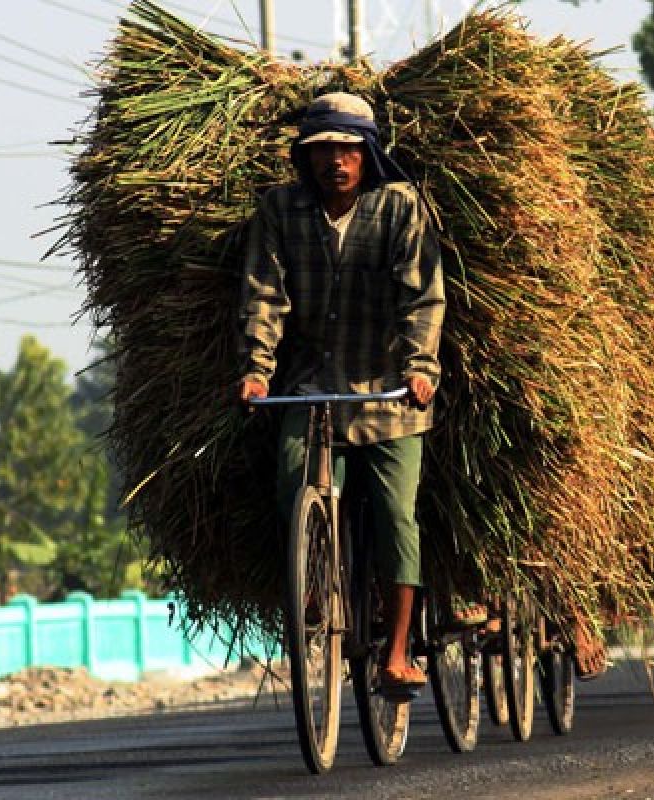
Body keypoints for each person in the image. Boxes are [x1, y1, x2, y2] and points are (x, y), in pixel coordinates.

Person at [237, 92, 445, 693]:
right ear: (306, 157)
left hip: (388, 395)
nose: (336, 161)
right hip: (311, 389)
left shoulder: (400, 206)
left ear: (367, 154)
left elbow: (422, 298)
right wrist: (256, 370)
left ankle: (400, 651)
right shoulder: (281, 210)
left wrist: (419, 367)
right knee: (294, 478)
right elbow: (263, 297)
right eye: (324, 149)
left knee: (395, 514)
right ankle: (314, 592)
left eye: (348, 149)